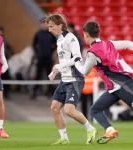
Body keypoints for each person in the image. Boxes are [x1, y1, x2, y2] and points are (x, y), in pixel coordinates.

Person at [55, 21, 133, 144]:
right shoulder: (108, 44)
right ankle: (110, 130)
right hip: (114, 88)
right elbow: (128, 43)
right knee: (95, 109)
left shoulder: (92, 52)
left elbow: (84, 71)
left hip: (125, 85)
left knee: (95, 110)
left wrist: (76, 62)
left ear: (86, 34)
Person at [45, 14, 97, 145]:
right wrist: (54, 70)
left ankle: (91, 129)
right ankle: (64, 138)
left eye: (51, 27)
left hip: (75, 79)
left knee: (69, 110)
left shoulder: (71, 38)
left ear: (60, 25)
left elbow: (77, 58)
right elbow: (64, 60)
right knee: (55, 107)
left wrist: (59, 66)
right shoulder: (60, 40)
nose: (49, 30)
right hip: (65, 79)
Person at [31, 18, 57, 98]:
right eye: (42, 24)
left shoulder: (51, 34)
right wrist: (38, 52)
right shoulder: (38, 34)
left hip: (48, 58)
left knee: (50, 75)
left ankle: (51, 93)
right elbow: (34, 45)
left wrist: (51, 51)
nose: (44, 26)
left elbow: (55, 44)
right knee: (38, 75)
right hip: (40, 58)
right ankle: (34, 92)